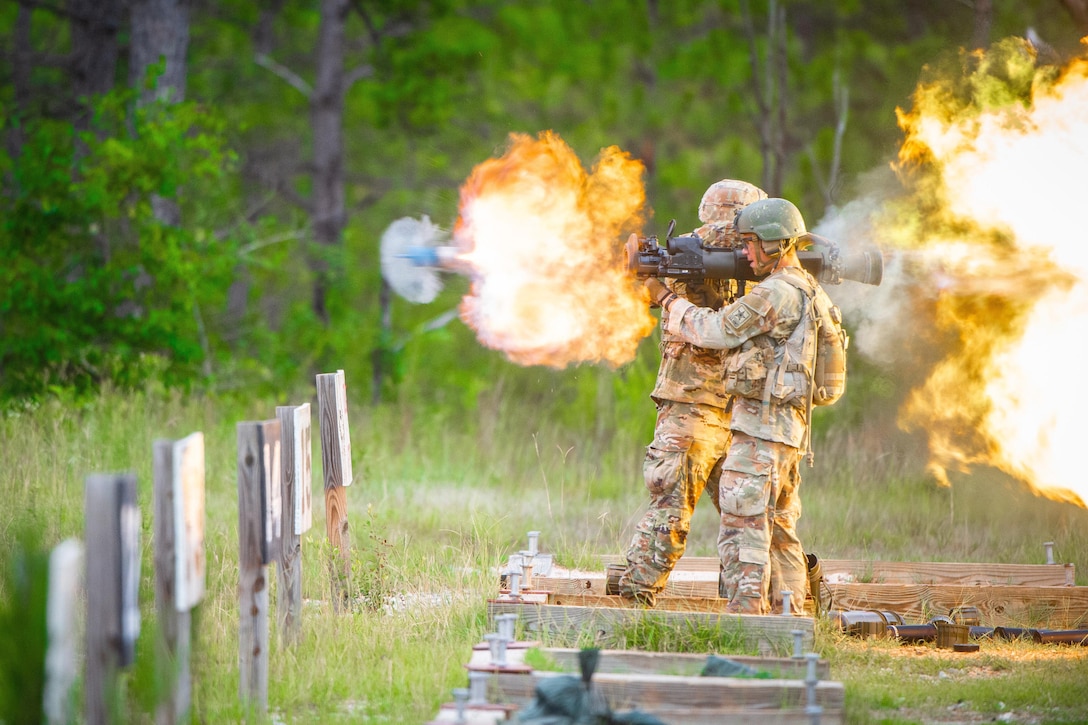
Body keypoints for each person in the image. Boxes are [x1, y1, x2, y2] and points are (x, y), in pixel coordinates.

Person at [643, 197, 831, 615]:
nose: (744, 253)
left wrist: (665, 299)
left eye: (750, 243)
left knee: (743, 529)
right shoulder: (809, 290)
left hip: (760, 431)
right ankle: (790, 621)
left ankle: (748, 624)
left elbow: (715, 330)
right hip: (788, 432)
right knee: (780, 530)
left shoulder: (775, 293)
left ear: (775, 244)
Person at [616, 179, 767, 608]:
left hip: (728, 406)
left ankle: (755, 604)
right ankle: (635, 600)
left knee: (744, 518)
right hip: (706, 407)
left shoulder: (755, 265)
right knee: (691, 509)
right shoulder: (684, 255)